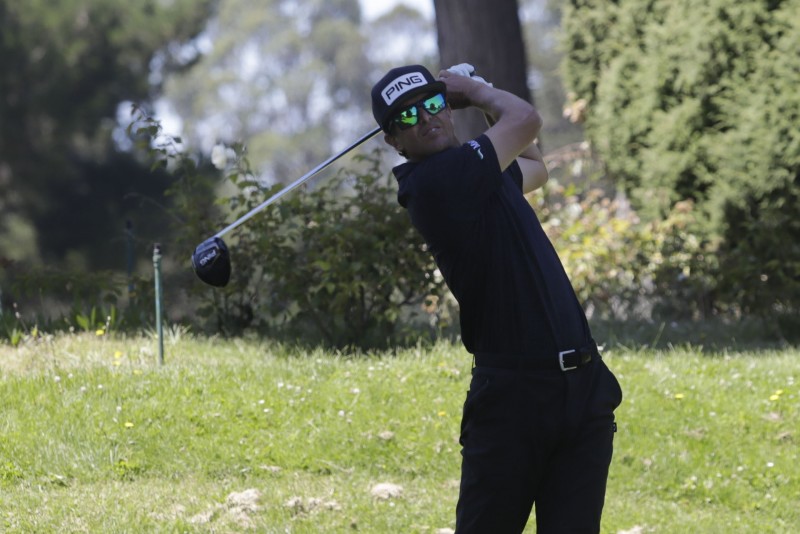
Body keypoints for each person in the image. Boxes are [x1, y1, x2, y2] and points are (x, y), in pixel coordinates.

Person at [370, 64, 623, 533]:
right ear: (394, 141)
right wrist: (476, 91)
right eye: (406, 117)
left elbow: (535, 167)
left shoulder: (478, 170)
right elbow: (526, 120)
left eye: (432, 104)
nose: (425, 119)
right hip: (513, 400)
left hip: (582, 390)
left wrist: (483, 98)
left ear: (445, 110)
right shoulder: (435, 182)